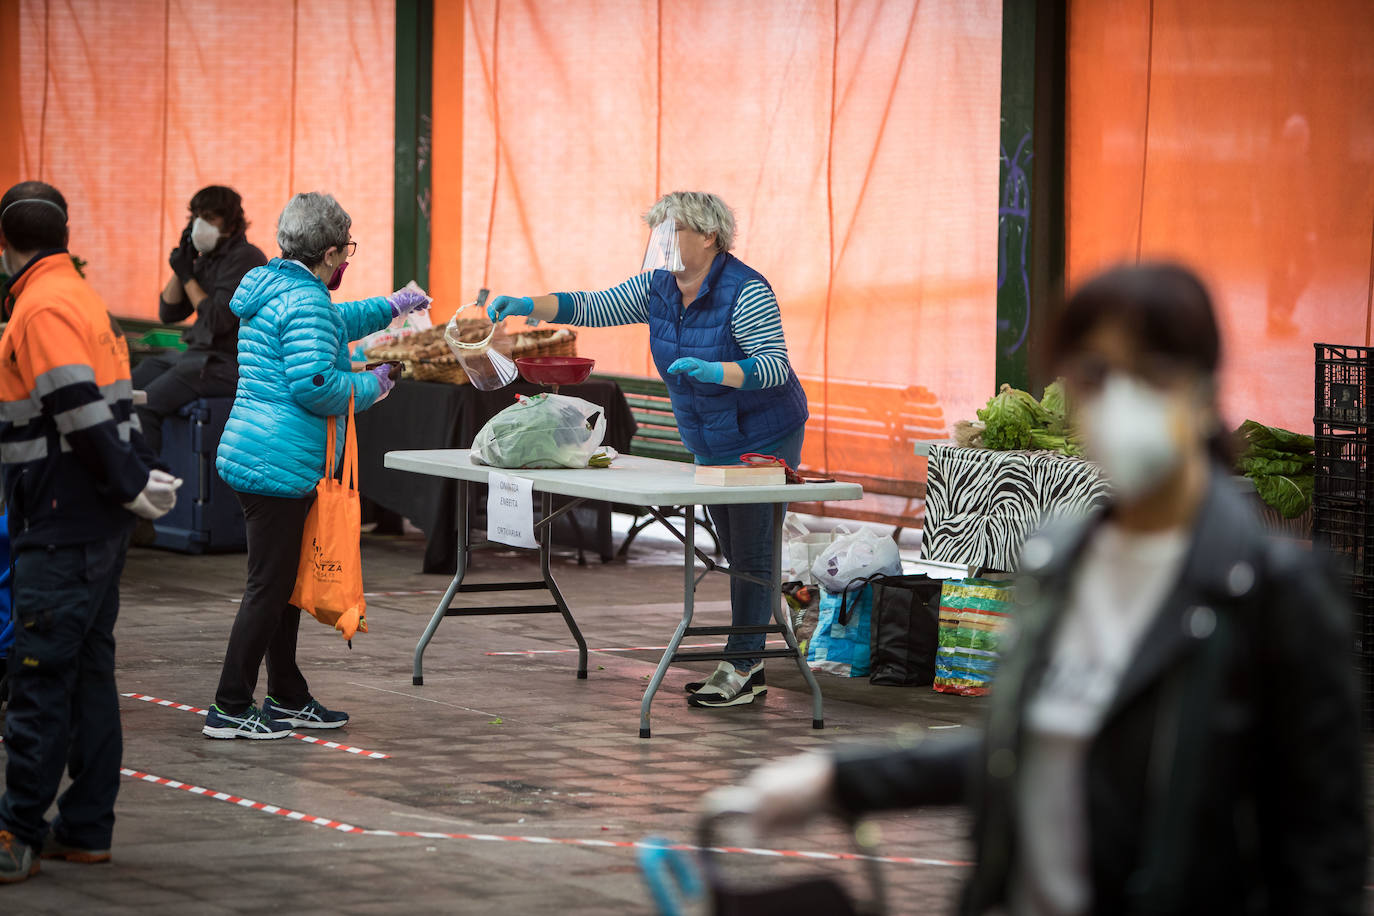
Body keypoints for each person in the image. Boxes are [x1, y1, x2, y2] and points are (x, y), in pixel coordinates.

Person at [719, 264, 1367, 914]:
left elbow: (1323, 853)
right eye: (1093, 375)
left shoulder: (1275, 596)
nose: (1119, 398)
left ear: (1203, 390)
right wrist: (837, 779)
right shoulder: (1062, 562)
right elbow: (1028, 753)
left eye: (1149, 372)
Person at [488, 191, 808, 708]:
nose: (662, 244)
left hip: (761, 434)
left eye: (673, 231)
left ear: (709, 236)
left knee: (750, 550)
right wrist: (530, 305)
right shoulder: (657, 287)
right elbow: (592, 304)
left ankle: (744, 665)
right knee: (735, 549)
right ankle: (754, 643)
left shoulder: (746, 290)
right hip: (708, 434)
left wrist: (717, 373)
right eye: (657, 233)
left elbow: (773, 364)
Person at [0, 181, 180, 883]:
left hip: (61, 520)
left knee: (42, 676)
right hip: (93, 523)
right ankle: (86, 827)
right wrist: (131, 488)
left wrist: (129, 484)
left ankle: (17, 830)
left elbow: (78, 413)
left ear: (8, 246)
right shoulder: (81, 299)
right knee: (87, 676)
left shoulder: (40, 308)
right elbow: (115, 411)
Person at [205, 192, 429, 740]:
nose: (347, 258)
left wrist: (395, 305)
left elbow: (335, 319)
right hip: (278, 465)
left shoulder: (279, 286)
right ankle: (230, 705)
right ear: (330, 252)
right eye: (347, 248)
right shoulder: (304, 301)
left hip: (258, 452)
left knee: (281, 586)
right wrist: (372, 385)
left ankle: (286, 694)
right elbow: (315, 386)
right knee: (268, 587)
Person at [133, 185, 267, 456]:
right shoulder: (207, 260)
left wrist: (187, 276)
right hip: (197, 358)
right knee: (127, 389)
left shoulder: (246, 258)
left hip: (227, 364)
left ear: (230, 222)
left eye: (209, 217)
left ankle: (148, 483)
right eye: (195, 216)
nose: (199, 224)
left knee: (143, 404)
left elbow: (217, 319)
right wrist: (182, 264)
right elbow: (169, 313)